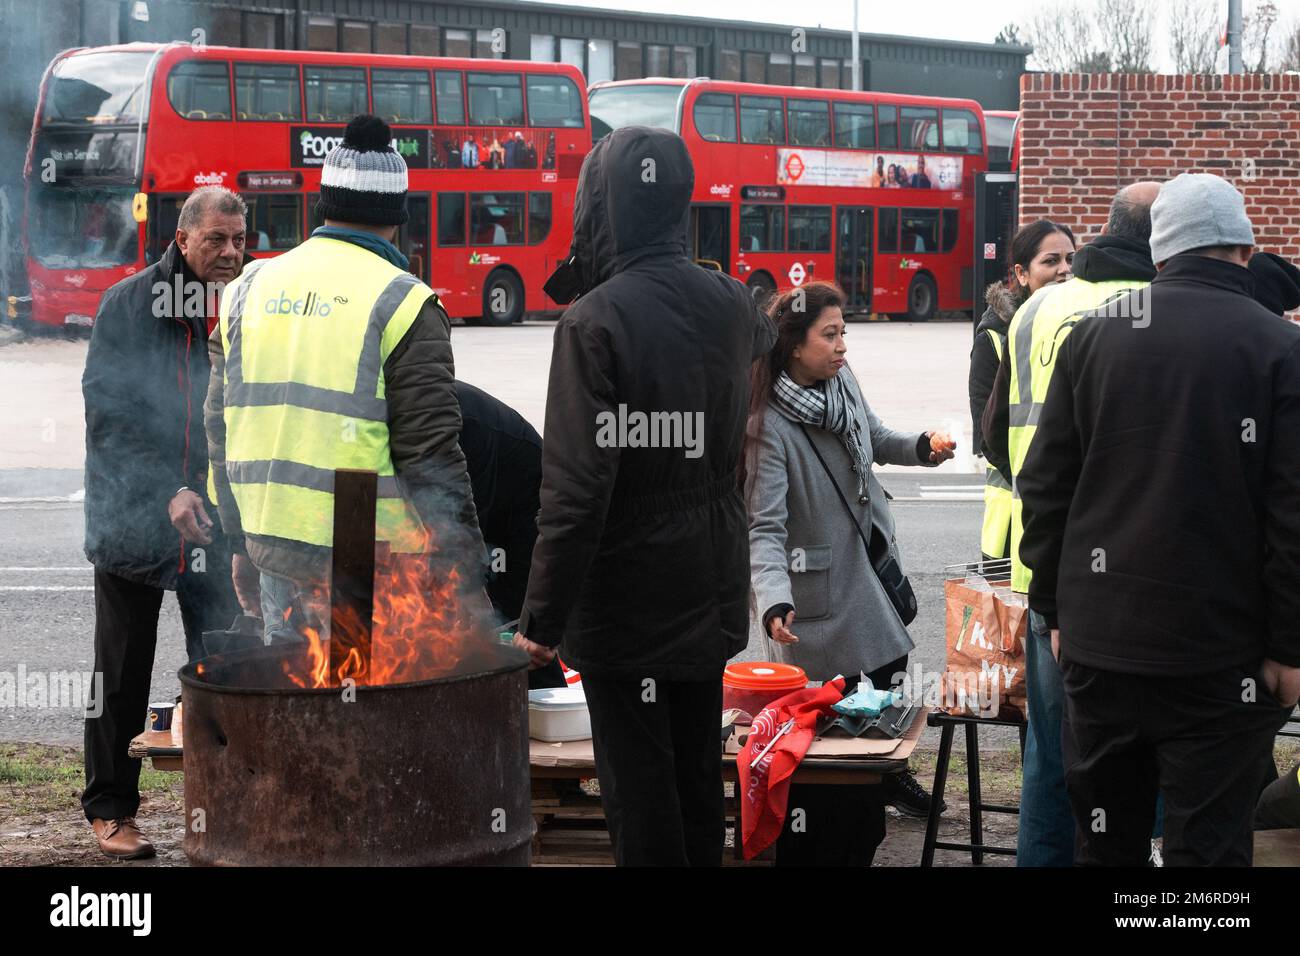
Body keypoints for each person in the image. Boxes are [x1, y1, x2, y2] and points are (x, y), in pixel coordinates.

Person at [511, 125, 776, 866]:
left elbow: (576, 487)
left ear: (602, 207)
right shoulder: (730, 301)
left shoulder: (594, 320)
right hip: (710, 575)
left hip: (628, 596)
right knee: (696, 770)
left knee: (638, 787)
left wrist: (540, 616)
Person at [1019, 172, 1300, 866]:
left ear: (1160, 255)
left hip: (1101, 649)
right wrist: (1289, 645)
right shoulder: (1280, 349)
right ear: (1245, 247)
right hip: (1221, 657)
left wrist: (1054, 607)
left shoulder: (1092, 337)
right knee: (1206, 851)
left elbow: (1047, 485)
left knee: (1107, 842)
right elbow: (1292, 513)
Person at [205, 115, 485, 640]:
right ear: (396, 214)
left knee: (292, 706)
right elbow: (430, 455)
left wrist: (238, 544)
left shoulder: (248, 286)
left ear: (323, 205)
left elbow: (219, 428)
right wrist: (464, 571)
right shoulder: (403, 300)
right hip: (366, 553)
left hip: (271, 544)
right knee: (362, 710)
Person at [746, 281, 955, 864]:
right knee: (823, 762)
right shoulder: (765, 427)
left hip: (875, 587)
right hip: (818, 615)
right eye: (830, 335)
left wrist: (920, 446)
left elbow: (876, 437)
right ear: (792, 345)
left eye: (845, 333)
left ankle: (863, 835)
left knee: (873, 750)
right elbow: (762, 530)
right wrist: (772, 601)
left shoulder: (842, 384)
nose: (843, 347)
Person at [984, 180, 1161, 867]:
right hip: (1133, 566)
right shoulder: (1146, 310)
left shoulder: (1035, 309)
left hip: (1045, 565)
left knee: (1050, 748)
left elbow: (995, 431)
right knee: (1141, 750)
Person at [80, 185, 248, 859]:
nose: (231, 252)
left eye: (239, 240)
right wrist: (169, 489)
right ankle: (110, 808)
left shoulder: (245, 305)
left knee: (221, 667)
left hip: (216, 525)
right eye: (217, 240)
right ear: (182, 240)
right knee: (120, 674)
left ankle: (225, 804)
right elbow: (109, 418)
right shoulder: (129, 304)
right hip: (133, 520)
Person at [969, 220, 1075, 561]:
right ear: (1022, 273)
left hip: (1071, 513)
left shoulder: (1083, 327)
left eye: (1071, 259)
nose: (1065, 270)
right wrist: (1045, 486)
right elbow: (990, 437)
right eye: (1051, 261)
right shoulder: (995, 337)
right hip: (1014, 519)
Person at [452, 380, 564, 690]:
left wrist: (470, 591)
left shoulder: (461, 423)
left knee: (516, 624)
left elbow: (469, 521)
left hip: (525, 500)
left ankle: (544, 701)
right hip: (483, 499)